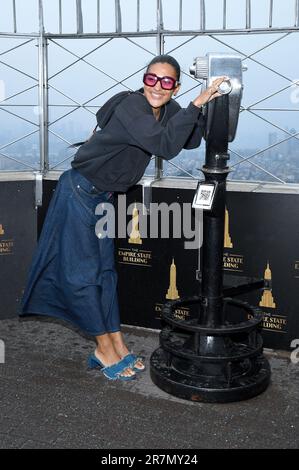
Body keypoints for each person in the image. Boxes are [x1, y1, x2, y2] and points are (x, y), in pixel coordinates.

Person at [19, 55, 225, 381]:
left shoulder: (167, 110)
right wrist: (195, 103)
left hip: (104, 197)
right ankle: (104, 350)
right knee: (84, 276)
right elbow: (164, 145)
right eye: (151, 78)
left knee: (105, 273)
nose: (157, 86)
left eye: (167, 81)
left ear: (176, 87)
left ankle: (117, 345)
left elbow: (189, 141)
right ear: (144, 79)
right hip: (79, 191)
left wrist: (201, 109)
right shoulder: (133, 107)